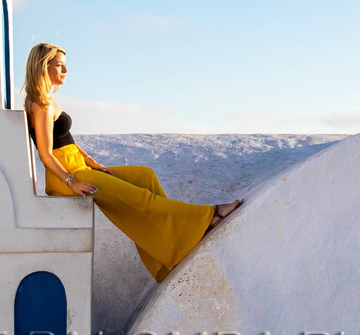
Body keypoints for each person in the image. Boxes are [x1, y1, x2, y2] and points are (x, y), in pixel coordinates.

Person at [24, 42, 241, 282]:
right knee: (139, 200)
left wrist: (92, 162)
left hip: (78, 166)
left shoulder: (49, 101)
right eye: (60, 66)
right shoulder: (40, 104)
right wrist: (72, 181)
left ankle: (173, 248)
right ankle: (209, 216)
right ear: (43, 67)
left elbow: (66, 141)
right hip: (64, 175)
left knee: (144, 176)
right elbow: (46, 153)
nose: (66, 71)